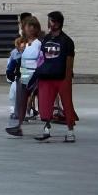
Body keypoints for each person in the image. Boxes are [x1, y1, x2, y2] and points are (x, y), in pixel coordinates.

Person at [33, 11, 76, 143]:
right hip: (46, 76)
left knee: (67, 104)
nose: (49, 24)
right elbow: (41, 57)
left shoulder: (67, 41)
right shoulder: (46, 39)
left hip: (61, 77)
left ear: (57, 23)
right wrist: (38, 71)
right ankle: (46, 130)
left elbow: (69, 62)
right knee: (45, 104)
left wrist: (67, 79)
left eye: (51, 21)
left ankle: (70, 132)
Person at [5, 15, 43, 137]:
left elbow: (42, 59)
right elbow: (14, 58)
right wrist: (10, 71)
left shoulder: (40, 43)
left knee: (43, 101)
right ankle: (18, 126)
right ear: (24, 27)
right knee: (20, 102)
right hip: (23, 75)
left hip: (37, 75)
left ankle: (47, 126)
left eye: (33, 26)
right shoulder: (22, 43)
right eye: (28, 26)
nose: (31, 28)